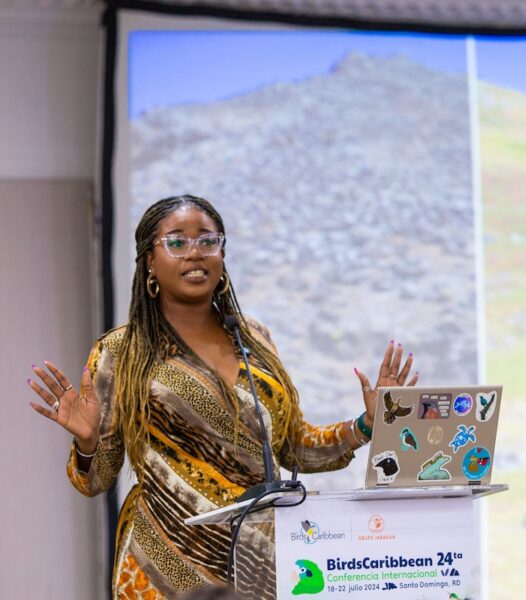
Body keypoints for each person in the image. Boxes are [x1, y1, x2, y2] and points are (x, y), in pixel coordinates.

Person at [26, 195, 418, 599]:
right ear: (148, 261)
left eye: (207, 241)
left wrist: (366, 424)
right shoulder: (121, 351)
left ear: (222, 253)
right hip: (163, 563)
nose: (195, 252)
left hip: (257, 560)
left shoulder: (254, 339)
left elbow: (292, 448)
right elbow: (96, 481)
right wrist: (89, 443)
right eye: (176, 242)